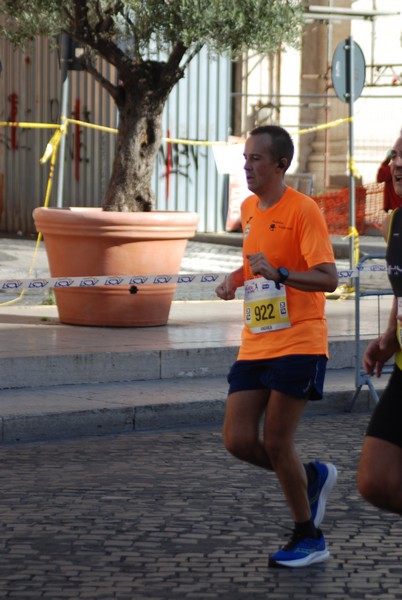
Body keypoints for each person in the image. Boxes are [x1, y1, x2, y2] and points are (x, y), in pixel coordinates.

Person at [215, 125, 339, 568]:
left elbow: (329, 278)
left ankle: (309, 537)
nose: (246, 166)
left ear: (280, 164)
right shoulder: (249, 208)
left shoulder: (304, 211)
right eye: (245, 158)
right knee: (237, 439)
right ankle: (310, 477)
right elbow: (256, 263)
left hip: (300, 340)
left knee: (275, 442)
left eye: (255, 159)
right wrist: (234, 279)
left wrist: (283, 275)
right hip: (256, 341)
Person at [357, 131, 402, 514]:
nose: (397, 164)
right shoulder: (397, 222)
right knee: (375, 480)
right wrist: (390, 336)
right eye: (395, 155)